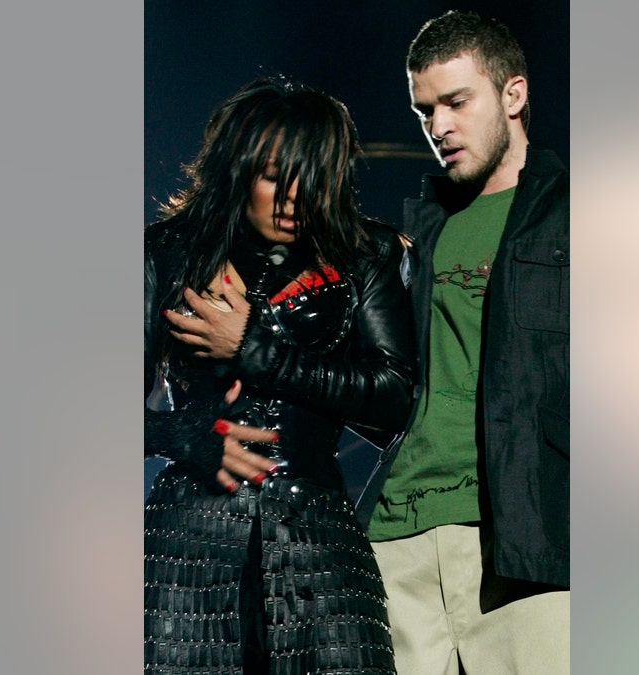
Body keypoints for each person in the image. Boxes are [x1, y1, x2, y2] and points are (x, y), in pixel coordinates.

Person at [143, 77, 416, 674]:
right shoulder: (167, 253)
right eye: (273, 176)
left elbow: (396, 399)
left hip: (320, 545)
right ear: (237, 171)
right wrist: (182, 437)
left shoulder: (364, 253)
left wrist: (256, 349)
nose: (293, 198)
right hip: (190, 548)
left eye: (310, 177)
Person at [358, 11, 570, 674]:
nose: (439, 127)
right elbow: (393, 388)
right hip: (396, 537)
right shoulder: (419, 234)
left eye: (456, 102)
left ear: (513, 94)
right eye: (425, 112)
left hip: (522, 541)